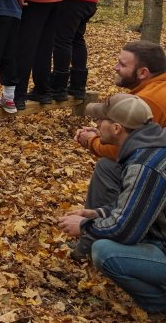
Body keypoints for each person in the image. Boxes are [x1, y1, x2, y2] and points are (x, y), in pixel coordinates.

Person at [58, 95, 166, 316]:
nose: (96, 125)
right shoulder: (149, 148)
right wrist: (97, 212)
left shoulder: (145, 164)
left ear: (117, 128)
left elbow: (126, 231)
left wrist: (86, 226)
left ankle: (159, 305)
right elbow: (138, 207)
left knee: (104, 252)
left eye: (101, 120)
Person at [74, 41, 166, 210]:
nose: (115, 67)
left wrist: (92, 141)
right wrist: (104, 133)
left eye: (122, 64)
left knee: (108, 167)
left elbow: (126, 151)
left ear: (143, 72)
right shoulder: (158, 87)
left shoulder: (149, 100)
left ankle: (98, 227)